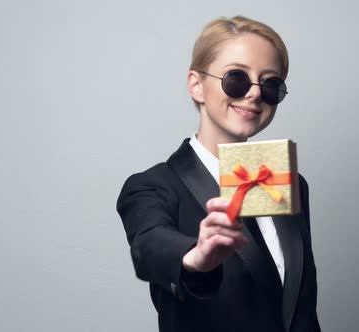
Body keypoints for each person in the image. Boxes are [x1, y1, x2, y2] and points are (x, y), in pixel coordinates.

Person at [116, 16, 321, 332]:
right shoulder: (151, 186)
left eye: (269, 83)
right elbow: (149, 246)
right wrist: (195, 258)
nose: (254, 94)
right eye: (236, 78)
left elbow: (299, 306)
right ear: (197, 85)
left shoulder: (289, 183)